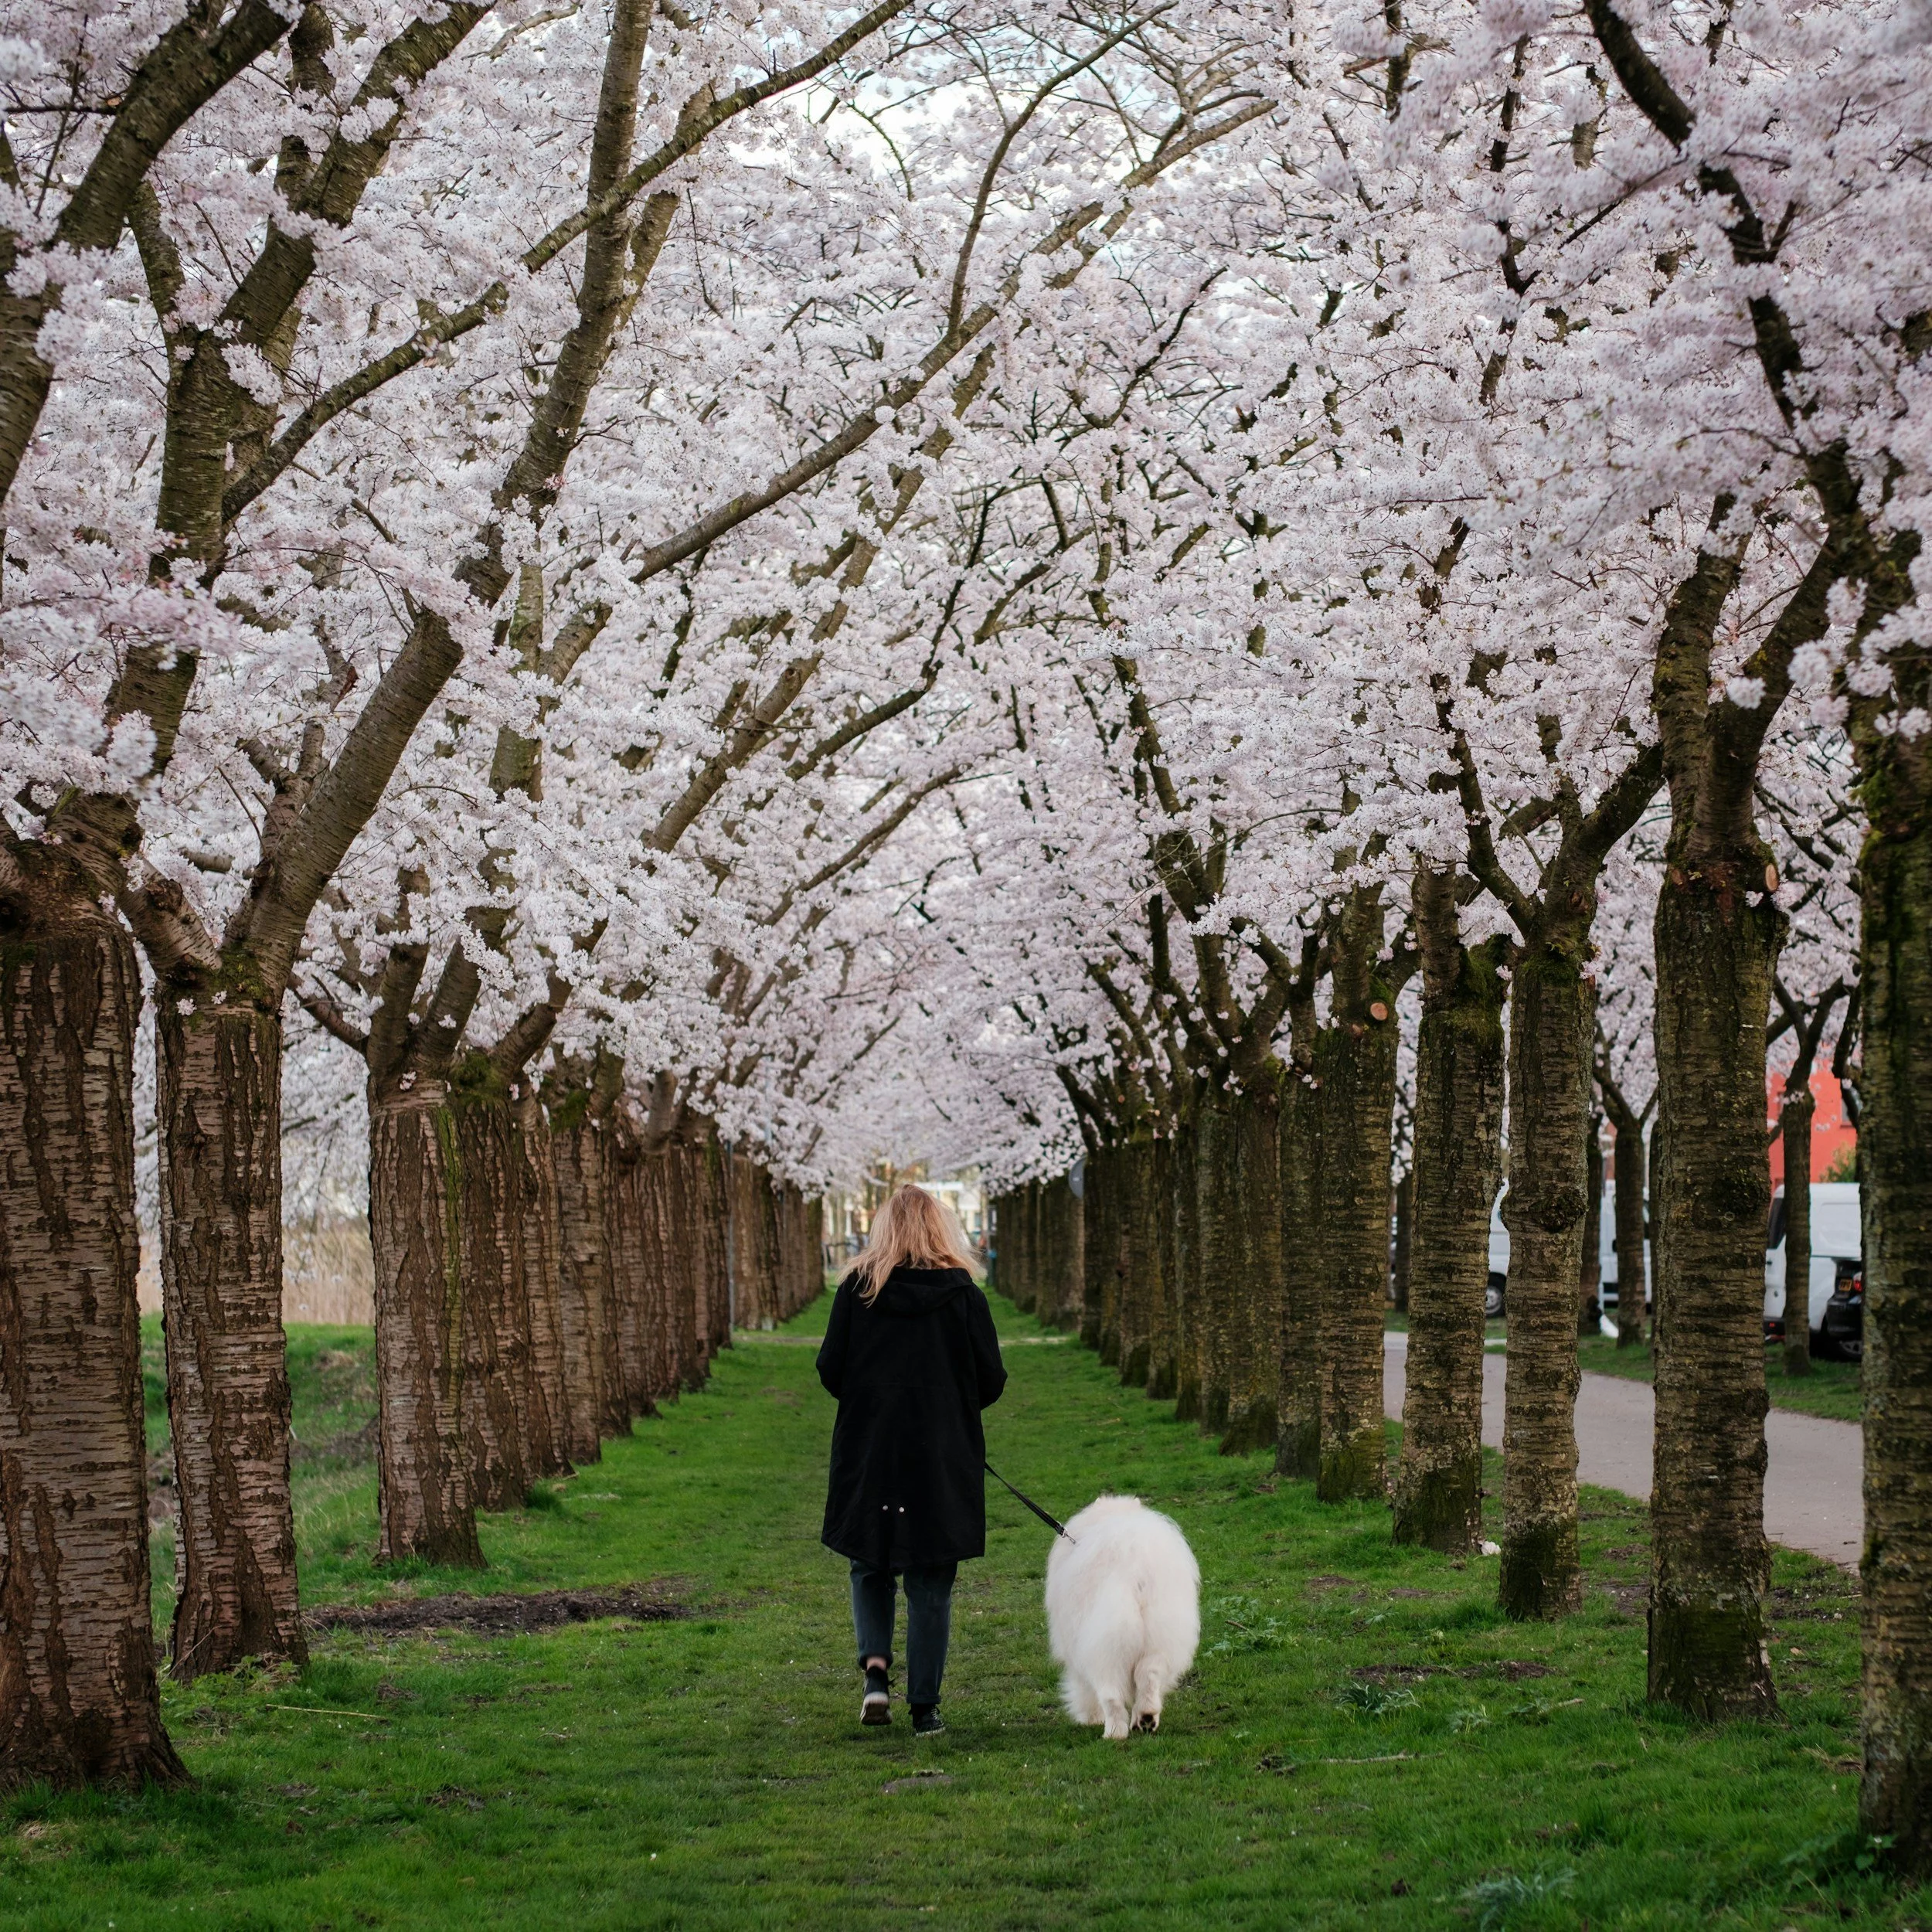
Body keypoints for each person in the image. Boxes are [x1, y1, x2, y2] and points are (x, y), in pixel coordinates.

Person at [816, 1184, 1007, 1736]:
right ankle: (925, 1706)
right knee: (931, 1577)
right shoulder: (964, 1296)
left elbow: (831, 1368)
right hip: (940, 1451)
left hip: (870, 1446)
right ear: (939, 1228)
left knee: (869, 1560)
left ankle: (876, 1671)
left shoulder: (857, 1290)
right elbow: (990, 1378)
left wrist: (870, 1397)